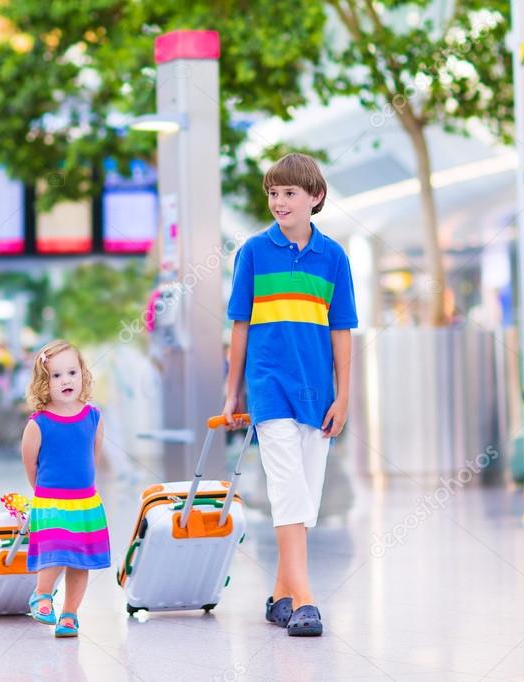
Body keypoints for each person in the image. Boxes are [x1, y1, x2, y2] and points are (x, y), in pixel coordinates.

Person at [221, 153, 358, 637]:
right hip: (270, 387)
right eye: (273, 194)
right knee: (285, 487)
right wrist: (232, 392)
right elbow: (240, 326)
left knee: (305, 495)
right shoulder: (255, 253)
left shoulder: (334, 258)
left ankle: (281, 593)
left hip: (318, 393)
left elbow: (342, 331)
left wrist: (344, 397)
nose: (278, 202)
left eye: (289, 193)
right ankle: (306, 599)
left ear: (315, 197)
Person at [20, 339, 110, 638]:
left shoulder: (93, 416)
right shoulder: (38, 423)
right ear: (44, 383)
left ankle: (70, 614)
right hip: (51, 501)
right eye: (56, 376)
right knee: (57, 550)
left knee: (79, 561)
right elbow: (30, 463)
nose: (65, 380)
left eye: (71, 372)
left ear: (82, 374)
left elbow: (93, 454)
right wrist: (43, 491)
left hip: (84, 501)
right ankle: (42, 594)